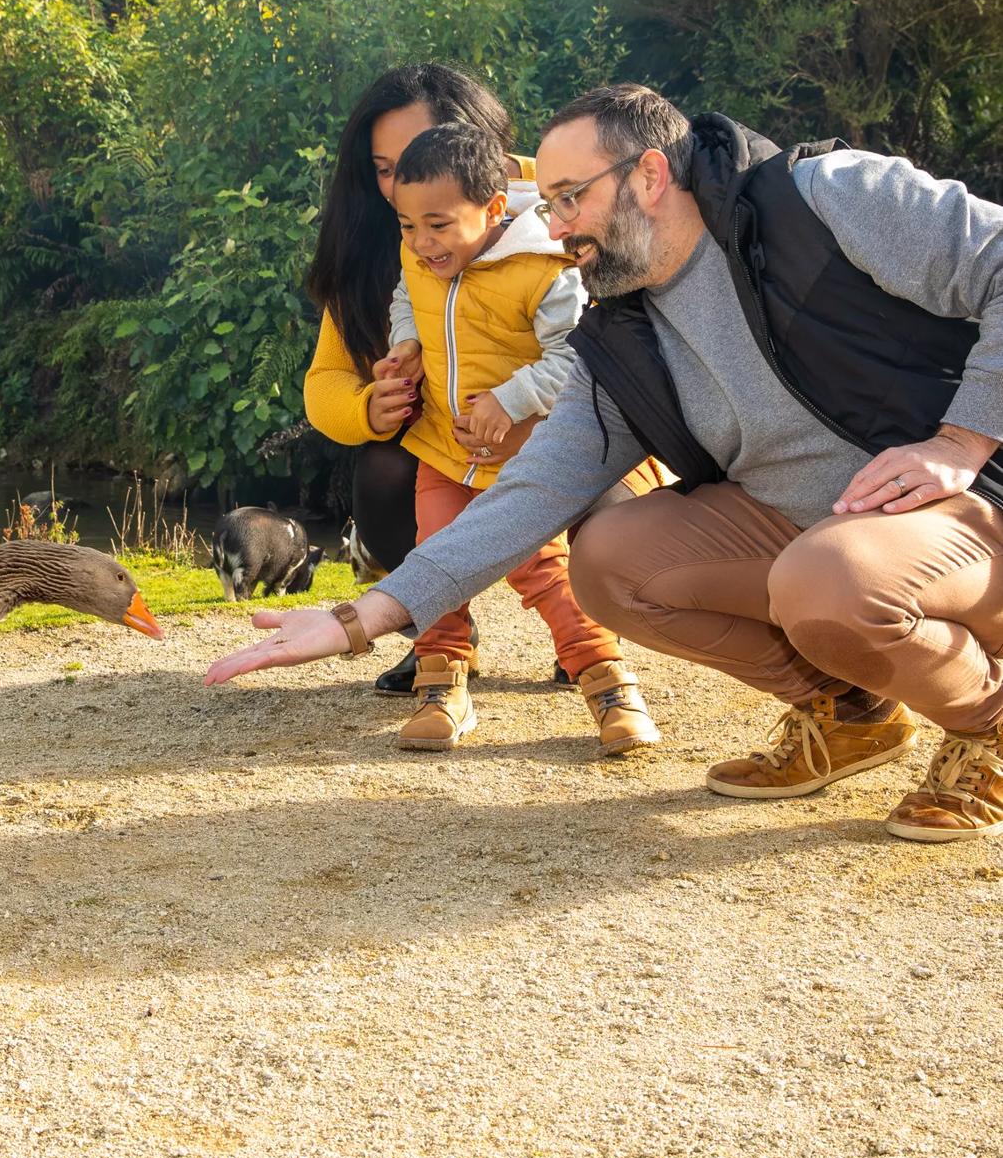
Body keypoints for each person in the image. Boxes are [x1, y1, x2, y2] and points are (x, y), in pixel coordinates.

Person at [210, 83, 1003, 845]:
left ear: (649, 176)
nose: (554, 230)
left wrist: (962, 438)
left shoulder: (825, 196)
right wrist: (361, 618)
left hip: (970, 507)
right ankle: (850, 712)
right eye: (548, 204)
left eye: (567, 198)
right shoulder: (622, 338)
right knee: (610, 562)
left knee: (824, 579)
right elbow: (529, 494)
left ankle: (986, 725)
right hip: (824, 534)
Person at [381, 120, 658, 753]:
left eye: (439, 225)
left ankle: (606, 680)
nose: (422, 243)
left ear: (495, 208)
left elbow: (573, 357)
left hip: (523, 454)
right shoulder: (417, 259)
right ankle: (440, 678)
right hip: (444, 449)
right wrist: (405, 344)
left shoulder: (544, 267)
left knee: (542, 567)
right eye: (408, 227)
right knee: (435, 555)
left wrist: (509, 402)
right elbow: (408, 297)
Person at [302, 63, 518, 694]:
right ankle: (441, 636)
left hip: (545, 433)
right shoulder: (373, 244)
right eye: (384, 167)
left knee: (594, 481)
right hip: (439, 451)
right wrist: (371, 407)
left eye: (418, 157)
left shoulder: (548, 206)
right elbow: (325, 382)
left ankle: (587, 636)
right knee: (384, 469)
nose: (398, 187)